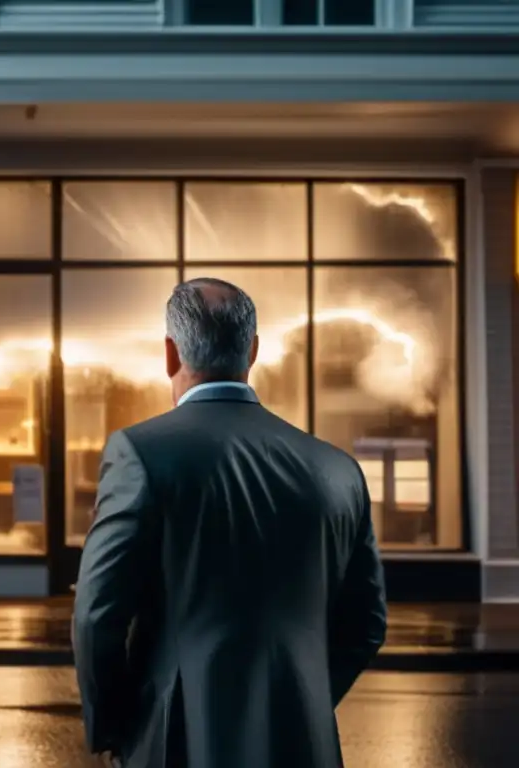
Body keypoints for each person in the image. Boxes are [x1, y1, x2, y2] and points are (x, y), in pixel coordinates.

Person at [72, 277, 387, 768]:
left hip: (180, 740)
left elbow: (97, 614)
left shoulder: (139, 454)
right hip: (302, 745)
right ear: (253, 351)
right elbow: (366, 623)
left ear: (171, 354)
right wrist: (301, 701)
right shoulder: (337, 469)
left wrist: (118, 727)